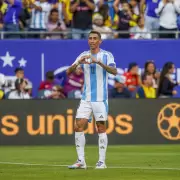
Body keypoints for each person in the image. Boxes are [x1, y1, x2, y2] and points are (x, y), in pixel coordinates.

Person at [67, 30, 117, 169]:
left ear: (100, 41)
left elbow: (114, 71)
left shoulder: (106, 55)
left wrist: (99, 62)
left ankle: (101, 162)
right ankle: (81, 161)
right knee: (78, 126)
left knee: (100, 128)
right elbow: (68, 72)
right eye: (90, 38)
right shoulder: (83, 55)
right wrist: (78, 64)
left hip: (100, 99)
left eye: (95, 38)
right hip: (86, 98)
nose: (92, 40)